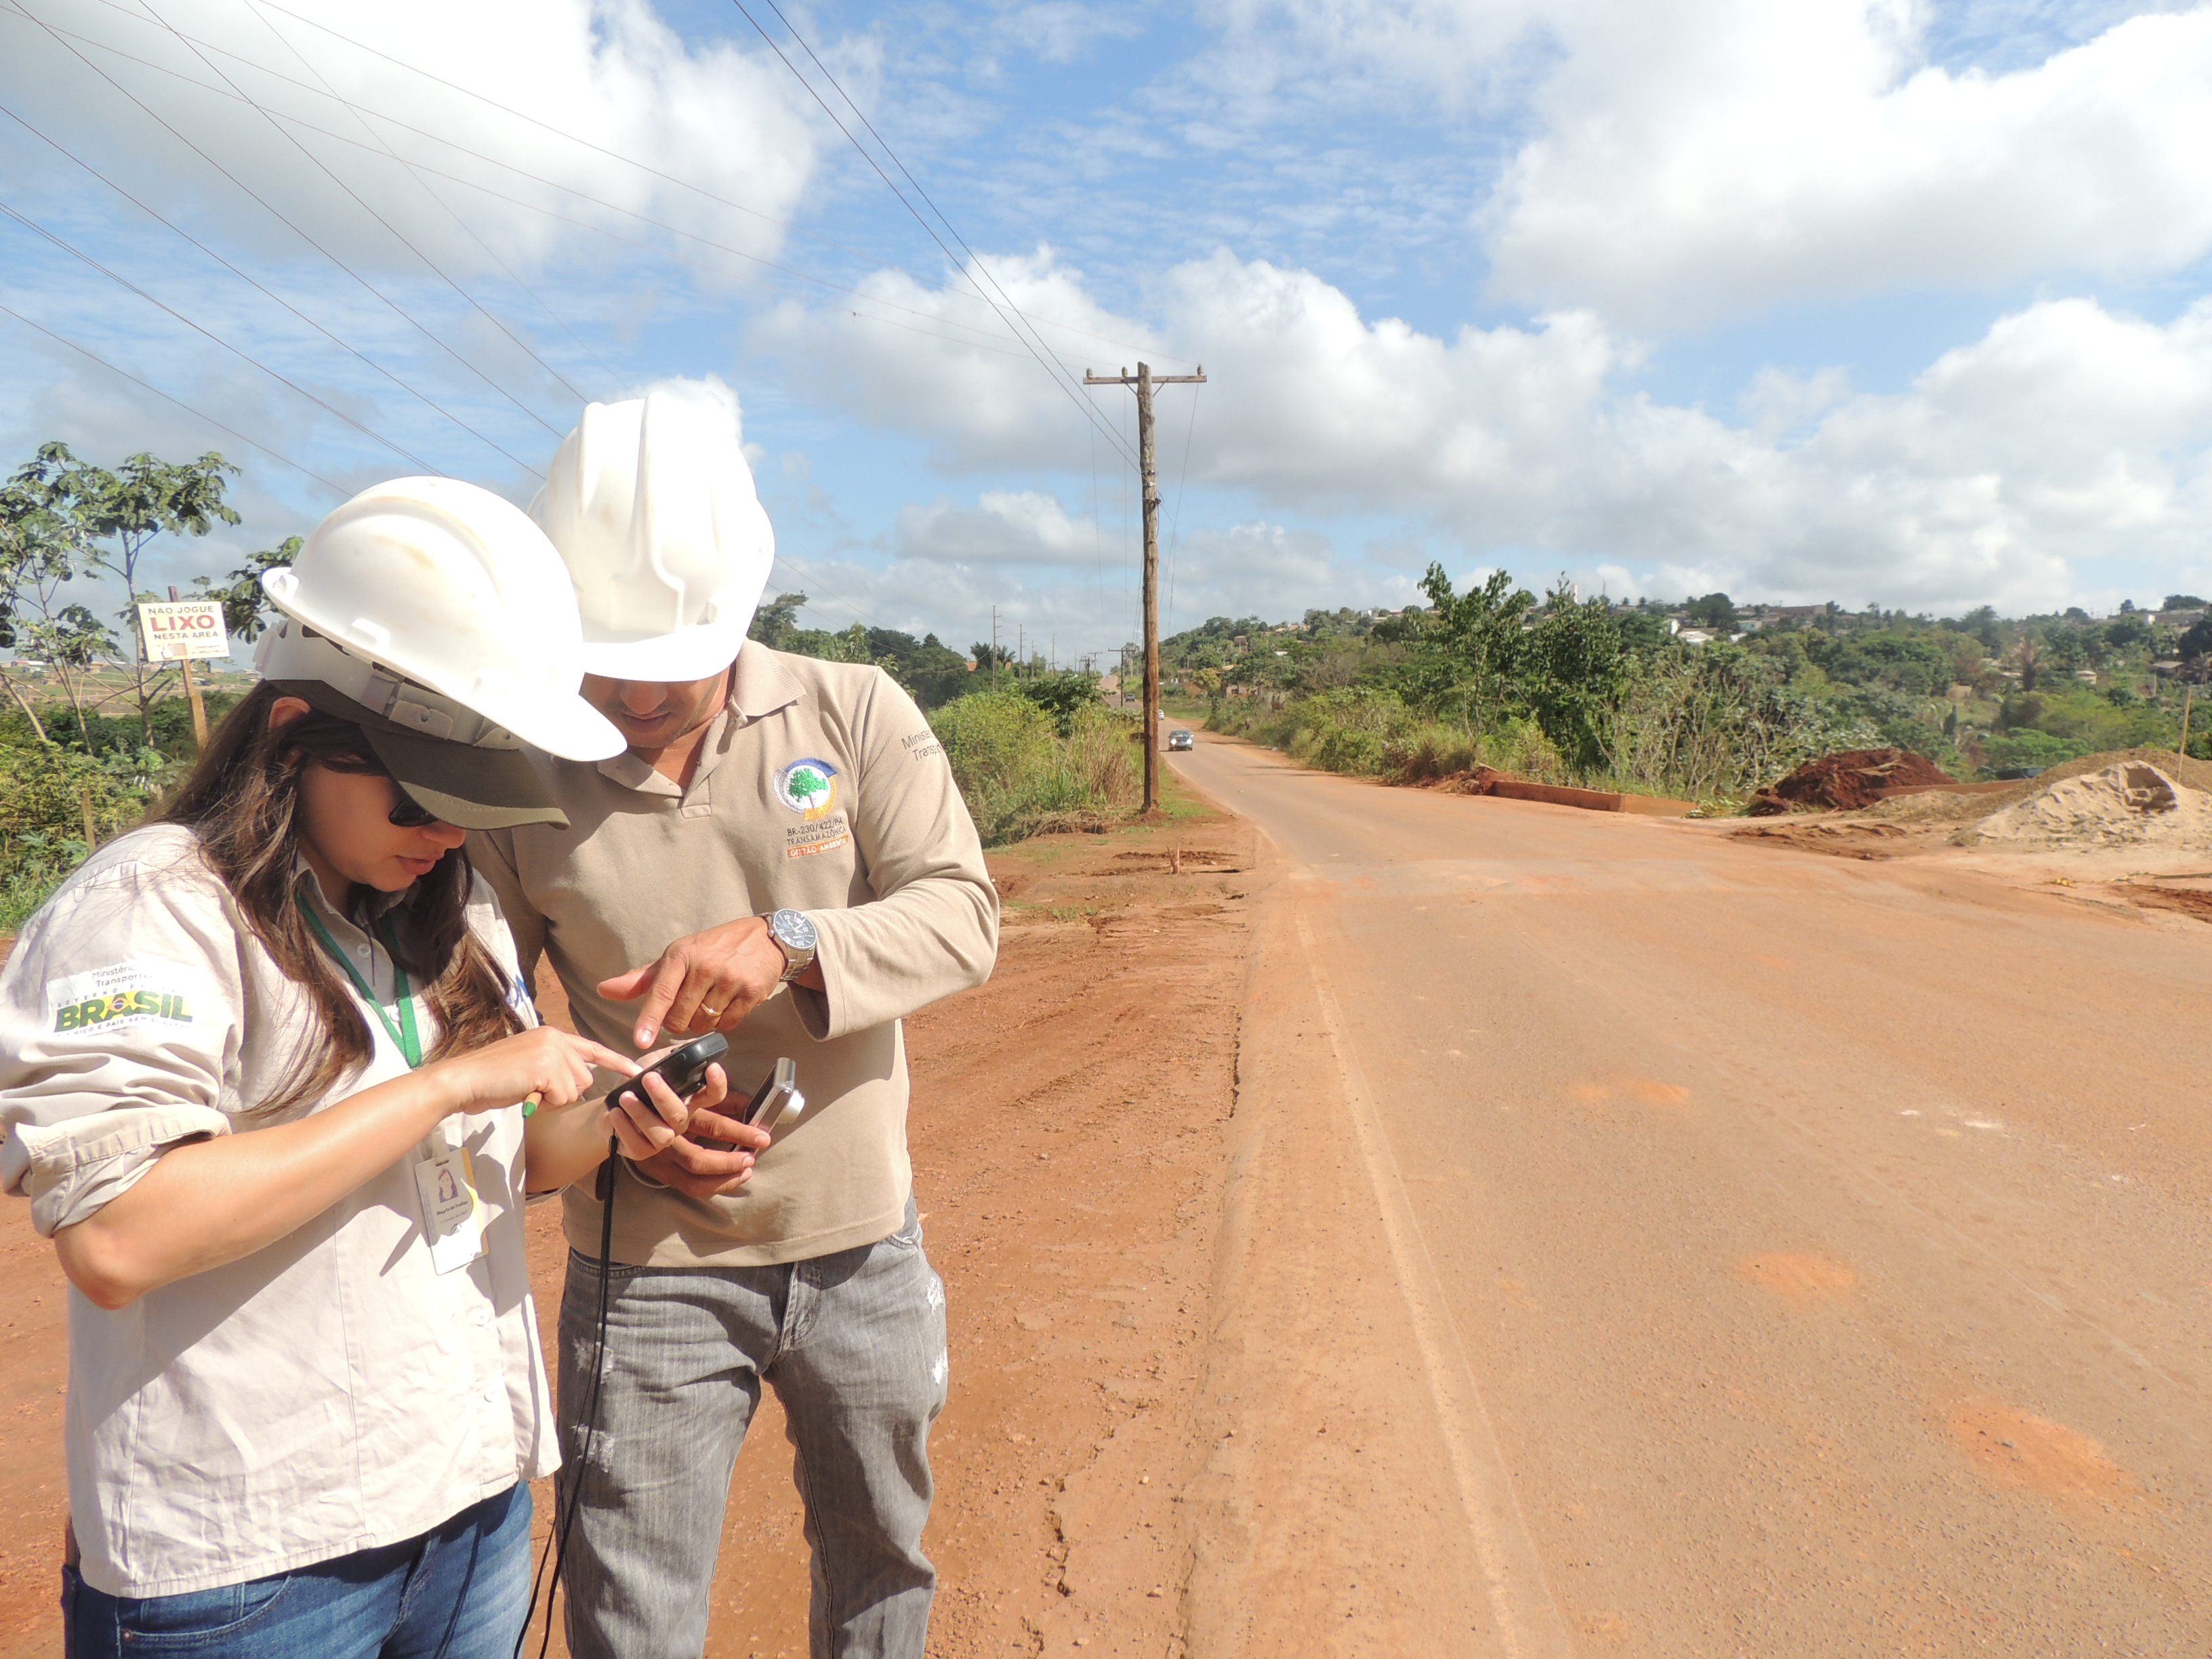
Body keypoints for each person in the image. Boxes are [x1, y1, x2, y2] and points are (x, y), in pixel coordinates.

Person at [0, 478, 729, 1659]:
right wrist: (441, 1084)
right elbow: (121, 1235)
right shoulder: (155, 908)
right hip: (257, 1562)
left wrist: (617, 1125)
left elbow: (515, 1156)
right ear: (294, 733)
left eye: (474, 805)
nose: (446, 833)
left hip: (467, 1507)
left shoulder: (451, 910)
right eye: (419, 796)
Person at [470, 388, 999, 1658]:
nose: (628, 699)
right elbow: (473, 1026)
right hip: (645, 1270)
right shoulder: (513, 770)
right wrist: (616, 1130)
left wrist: (792, 939)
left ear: (742, 612)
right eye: (601, 662)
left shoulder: (855, 712)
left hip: (862, 1246)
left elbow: (963, 917)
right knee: (629, 1605)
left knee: (881, 1558)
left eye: (664, 671)